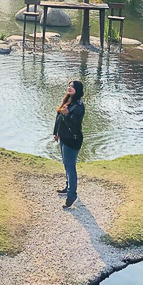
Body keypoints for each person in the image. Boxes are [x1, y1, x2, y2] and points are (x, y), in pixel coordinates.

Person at [52, 80, 86, 208]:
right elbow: (59, 117)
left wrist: (66, 115)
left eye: (73, 87)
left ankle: (72, 195)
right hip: (64, 138)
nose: (70, 88)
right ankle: (68, 187)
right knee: (66, 165)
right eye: (69, 86)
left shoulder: (78, 106)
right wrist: (56, 132)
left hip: (72, 140)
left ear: (78, 90)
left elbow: (74, 126)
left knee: (70, 167)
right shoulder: (67, 101)